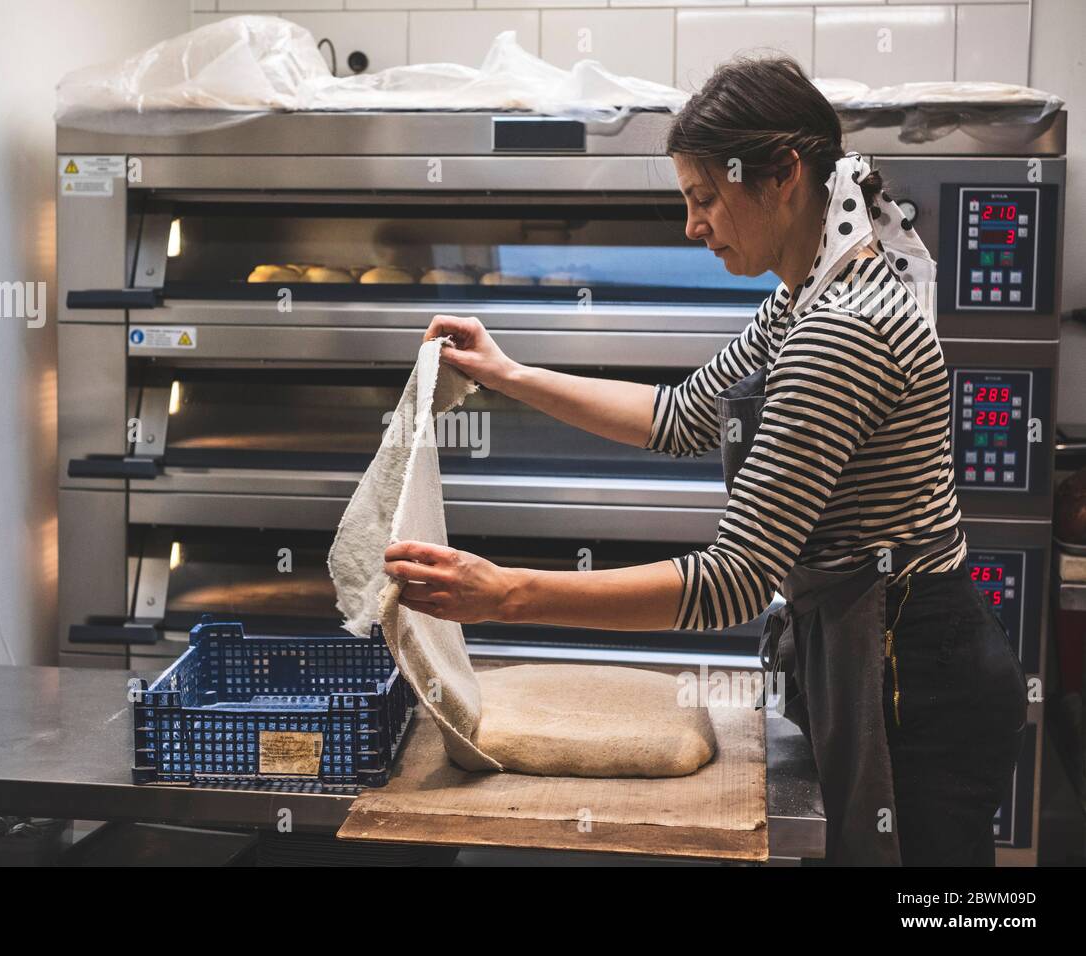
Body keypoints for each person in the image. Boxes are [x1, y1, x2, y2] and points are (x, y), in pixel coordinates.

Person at [382, 56, 1027, 866]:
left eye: (706, 198)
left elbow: (733, 580)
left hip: (915, 678)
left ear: (783, 175)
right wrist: (508, 375)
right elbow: (684, 415)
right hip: (877, 647)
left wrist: (508, 595)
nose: (693, 226)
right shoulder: (803, 297)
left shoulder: (842, 330)